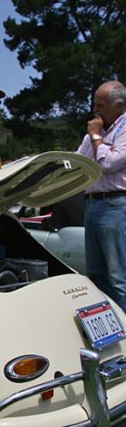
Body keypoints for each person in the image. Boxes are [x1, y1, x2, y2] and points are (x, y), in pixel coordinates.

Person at [77, 80, 126, 312]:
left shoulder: (122, 128)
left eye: (101, 105)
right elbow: (78, 162)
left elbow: (110, 163)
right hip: (93, 204)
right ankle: (109, 327)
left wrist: (96, 137)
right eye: (94, 104)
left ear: (118, 106)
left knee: (118, 277)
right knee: (96, 273)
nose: (95, 110)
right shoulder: (93, 134)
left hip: (115, 205)